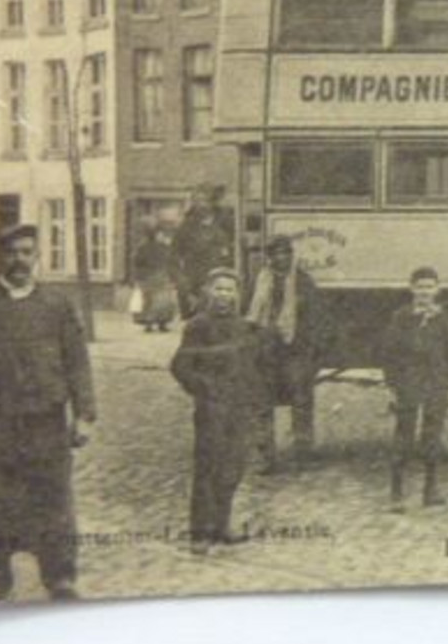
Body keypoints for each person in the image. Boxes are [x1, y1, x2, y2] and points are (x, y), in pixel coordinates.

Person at [0, 223, 96, 603]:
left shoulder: (56, 305)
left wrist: (85, 414)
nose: (20, 260)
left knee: (52, 498)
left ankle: (59, 576)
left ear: (37, 255)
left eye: (27, 252)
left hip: (45, 420)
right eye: (12, 253)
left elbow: (77, 362)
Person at [170, 268, 275, 554]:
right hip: (211, 407)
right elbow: (180, 366)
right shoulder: (198, 326)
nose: (224, 296)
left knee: (233, 466)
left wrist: (253, 394)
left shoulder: (244, 327)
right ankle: (200, 533)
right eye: (219, 289)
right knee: (208, 467)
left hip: (239, 406)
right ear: (207, 292)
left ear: (238, 296)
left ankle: (221, 525)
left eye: (230, 290)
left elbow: (255, 366)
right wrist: (204, 389)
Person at [380, 267, 448, 510]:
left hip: (436, 383)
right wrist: (392, 383)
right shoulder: (401, 317)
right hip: (409, 383)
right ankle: (396, 494)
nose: (425, 292)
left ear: (437, 290)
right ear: (411, 289)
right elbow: (389, 352)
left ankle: (430, 490)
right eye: (420, 286)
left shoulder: (442, 318)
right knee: (404, 435)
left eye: (429, 287)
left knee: (432, 436)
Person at [245, 235, 325, 471]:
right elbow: (248, 315)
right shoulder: (259, 282)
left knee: (301, 399)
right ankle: (265, 456)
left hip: (295, 349)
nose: (281, 258)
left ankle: (303, 452)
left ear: (291, 256)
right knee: (261, 402)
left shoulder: (303, 282)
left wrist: (309, 350)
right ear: (269, 258)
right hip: (264, 349)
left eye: (285, 253)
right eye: (275, 254)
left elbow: (316, 319)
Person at [172, 184, 234, 320]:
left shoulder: (226, 223)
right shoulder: (186, 226)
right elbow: (175, 255)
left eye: (204, 200)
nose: (201, 205)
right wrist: (182, 283)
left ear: (212, 202)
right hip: (194, 281)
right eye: (197, 201)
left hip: (220, 279)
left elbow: (233, 249)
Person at [130, 219, 178, 332]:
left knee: (149, 301)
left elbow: (137, 263)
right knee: (162, 301)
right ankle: (161, 323)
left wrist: (138, 278)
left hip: (150, 277)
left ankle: (149, 324)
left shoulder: (142, 247)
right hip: (158, 277)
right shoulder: (163, 247)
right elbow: (171, 262)